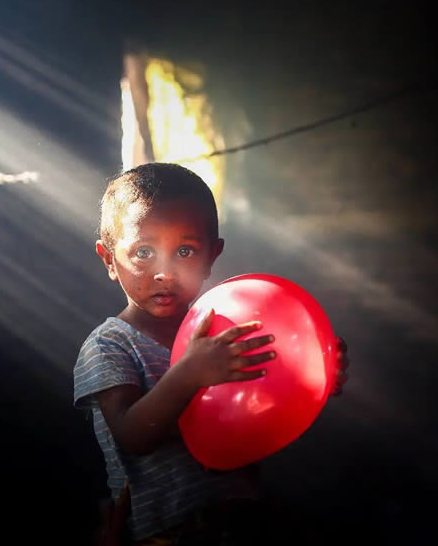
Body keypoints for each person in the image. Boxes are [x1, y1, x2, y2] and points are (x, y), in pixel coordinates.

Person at [74, 163, 349, 545]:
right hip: (162, 533)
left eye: (185, 250)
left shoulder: (230, 327)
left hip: (243, 520)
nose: (165, 272)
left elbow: (268, 398)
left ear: (212, 255)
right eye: (143, 251)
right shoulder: (110, 344)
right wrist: (189, 375)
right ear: (109, 259)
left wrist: (315, 373)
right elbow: (133, 435)